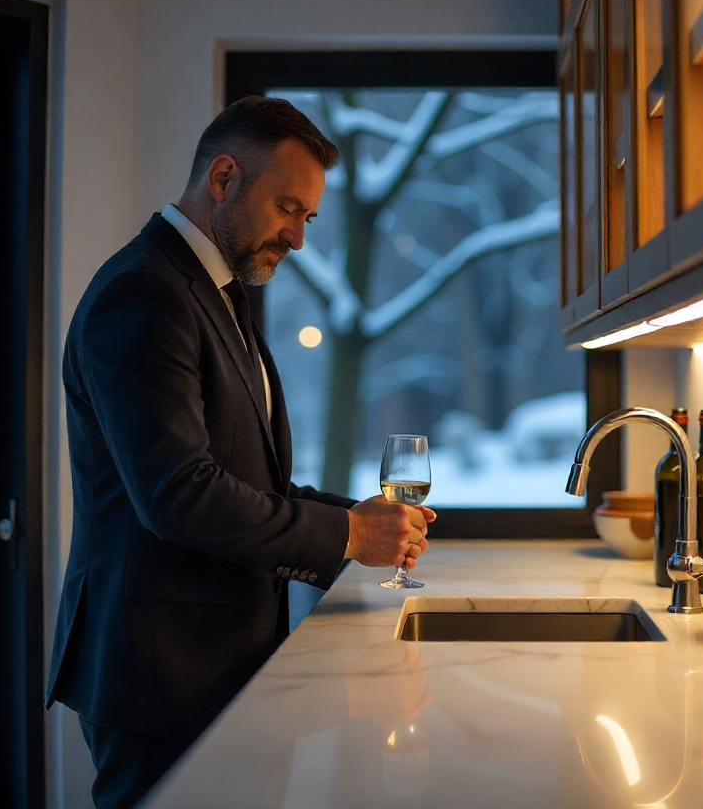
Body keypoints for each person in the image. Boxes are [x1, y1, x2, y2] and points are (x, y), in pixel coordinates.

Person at [45, 95, 434, 809]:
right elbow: (179, 493)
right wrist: (349, 533)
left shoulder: (218, 291)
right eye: (288, 208)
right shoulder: (143, 293)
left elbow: (249, 478)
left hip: (213, 664)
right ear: (223, 178)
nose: (298, 239)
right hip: (163, 674)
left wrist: (362, 516)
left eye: (308, 217)